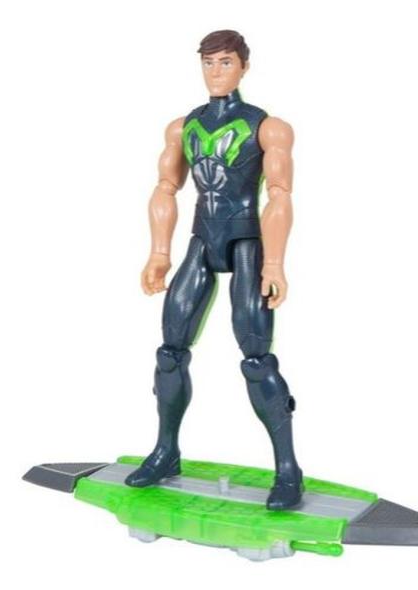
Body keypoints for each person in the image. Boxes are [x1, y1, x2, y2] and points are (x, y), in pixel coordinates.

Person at [125, 30, 303, 510]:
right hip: (203, 240)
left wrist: (274, 262)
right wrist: (159, 252)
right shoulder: (183, 127)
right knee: (170, 352)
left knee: (256, 358)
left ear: (244, 66)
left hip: (247, 241)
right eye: (209, 62)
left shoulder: (268, 127)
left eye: (225, 62)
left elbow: (280, 195)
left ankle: (288, 470)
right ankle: (166, 452)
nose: (216, 71)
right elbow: (165, 187)